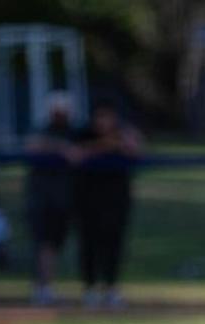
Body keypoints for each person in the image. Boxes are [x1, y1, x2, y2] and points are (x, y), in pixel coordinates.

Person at [74, 98, 143, 310]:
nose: (104, 121)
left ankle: (111, 288)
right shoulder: (83, 134)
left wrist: (127, 138)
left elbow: (136, 149)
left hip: (116, 200)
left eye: (108, 116)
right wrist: (107, 144)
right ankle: (90, 289)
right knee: (90, 244)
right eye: (100, 116)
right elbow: (75, 153)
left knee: (114, 244)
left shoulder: (123, 134)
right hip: (88, 199)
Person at [25, 91, 80, 306]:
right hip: (42, 197)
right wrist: (61, 148)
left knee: (56, 242)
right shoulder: (42, 131)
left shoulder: (76, 133)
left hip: (65, 197)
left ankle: (48, 285)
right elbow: (32, 145)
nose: (61, 114)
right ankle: (42, 287)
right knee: (42, 241)